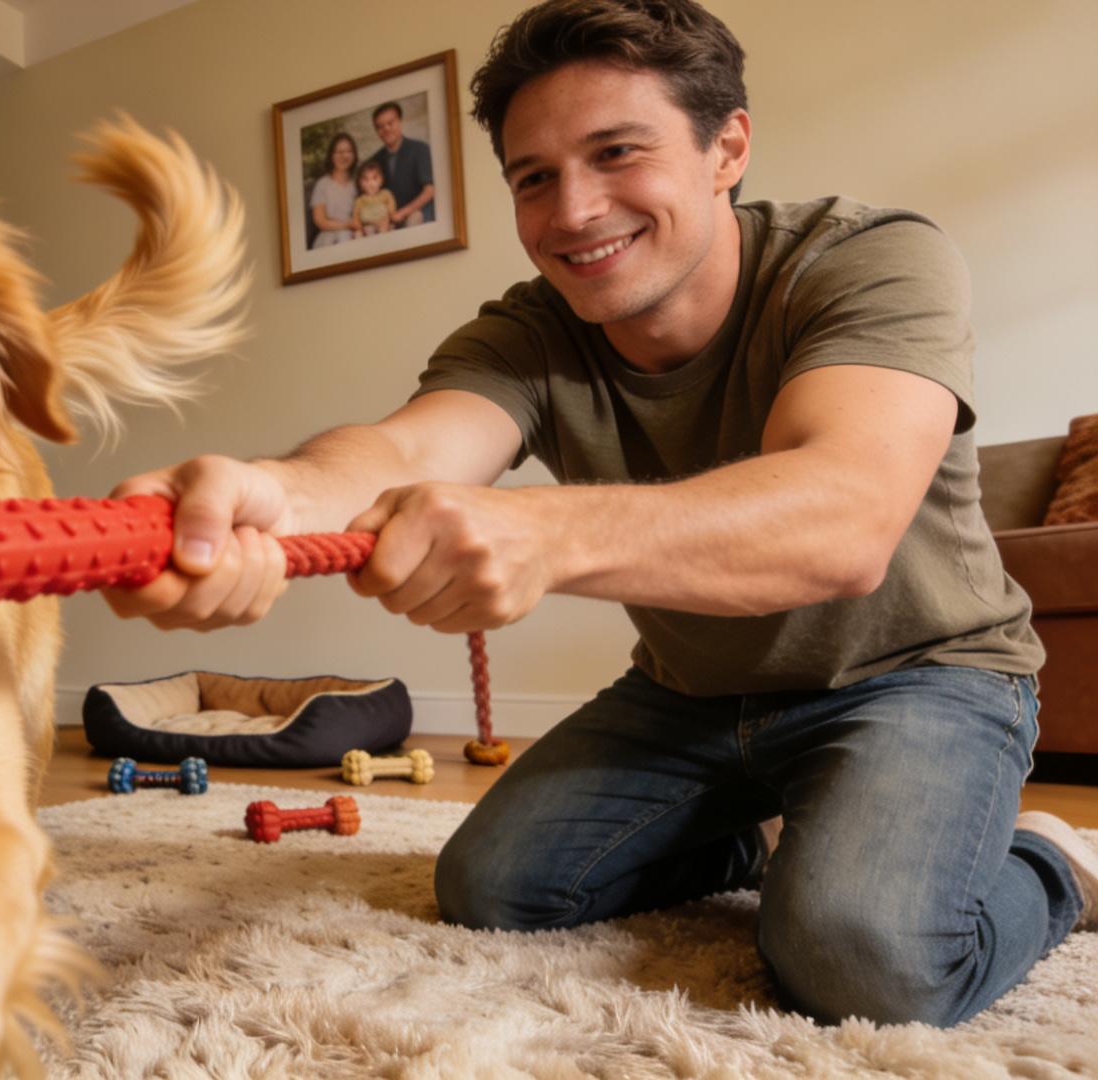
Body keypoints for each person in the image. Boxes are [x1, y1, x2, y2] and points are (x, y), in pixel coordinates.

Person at [104, 0, 1098, 1028]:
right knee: (494, 889)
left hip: (918, 680)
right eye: (534, 177)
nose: (572, 211)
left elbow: (843, 520)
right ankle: (770, 836)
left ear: (728, 147)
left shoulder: (869, 259)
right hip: (693, 696)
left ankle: (1051, 864)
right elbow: (404, 447)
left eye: (616, 153)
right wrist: (275, 496)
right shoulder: (530, 330)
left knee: (861, 958)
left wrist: (547, 534)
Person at [366, 100, 436, 227]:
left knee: (413, 220)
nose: (386, 129)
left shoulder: (420, 149)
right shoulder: (375, 160)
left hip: (419, 213)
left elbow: (430, 191)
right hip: (390, 217)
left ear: (400, 122)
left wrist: (403, 213)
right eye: (380, 127)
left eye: (390, 123)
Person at [308, 132, 361, 248]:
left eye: (349, 151)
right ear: (332, 156)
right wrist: (347, 225)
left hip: (354, 238)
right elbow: (320, 221)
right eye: (339, 152)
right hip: (329, 240)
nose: (344, 156)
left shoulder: (357, 184)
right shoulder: (323, 184)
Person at [351, 161, 396, 237]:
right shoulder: (360, 201)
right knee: (360, 233)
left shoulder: (386, 194)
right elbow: (356, 220)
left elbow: (392, 212)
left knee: (386, 229)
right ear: (360, 183)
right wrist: (361, 229)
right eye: (366, 179)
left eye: (374, 178)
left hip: (385, 226)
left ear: (381, 180)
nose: (370, 183)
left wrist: (385, 221)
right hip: (367, 229)